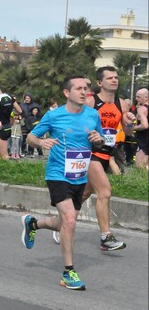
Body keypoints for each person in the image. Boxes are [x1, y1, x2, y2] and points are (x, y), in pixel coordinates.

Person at [21, 75, 104, 291]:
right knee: (70, 221)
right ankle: (68, 272)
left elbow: (101, 142)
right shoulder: (54, 115)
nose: (84, 91)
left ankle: (33, 224)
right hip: (58, 174)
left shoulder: (93, 115)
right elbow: (30, 136)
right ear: (67, 93)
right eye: (78, 88)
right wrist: (40, 141)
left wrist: (98, 140)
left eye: (86, 88)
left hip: (79, 176)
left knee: (66, 222)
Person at [52, 66, 134, 250]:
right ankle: (106, 237)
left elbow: (127, 131)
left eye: (116, 77)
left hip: (107, 153)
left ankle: (62, 222)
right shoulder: (90, 102)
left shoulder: (122, 104)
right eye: (109, 78)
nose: (114, 80)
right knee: (104, 191)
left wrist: (129, 123)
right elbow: (74, 119)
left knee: (86, 193)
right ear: (99, 83)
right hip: (90, 154)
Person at [0, 81, 22, 160]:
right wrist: (12, 115)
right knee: (2, 154)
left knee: (3, 156)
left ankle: (13, 170)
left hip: (0, 128)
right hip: (8, 127)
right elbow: (19, 110)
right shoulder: (9, 96)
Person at [133, 88, 149, 169]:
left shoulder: (142, 109)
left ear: (146, 98)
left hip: (144, 141)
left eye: (138, 97)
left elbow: (145, 125)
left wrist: (133, 128)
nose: (136, 99)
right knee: (146, 167)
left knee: (139, 167)